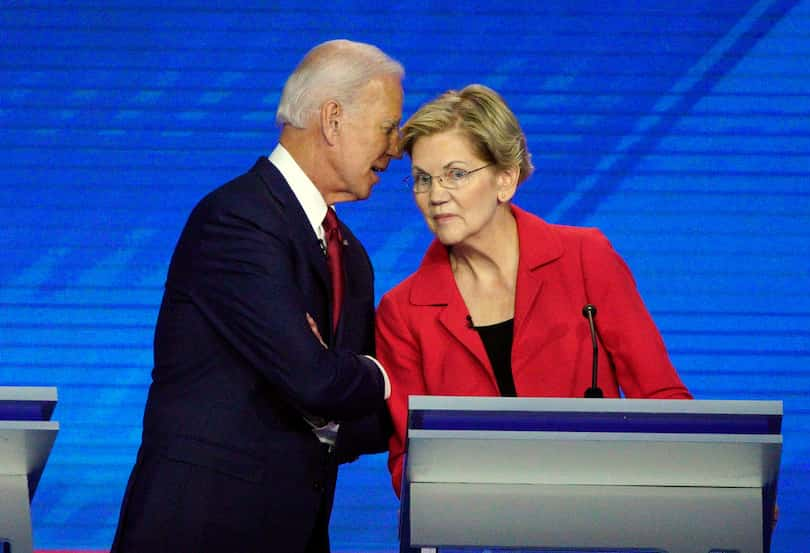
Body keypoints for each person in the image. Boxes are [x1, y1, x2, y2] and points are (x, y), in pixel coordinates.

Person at [111, 39, 404, 553]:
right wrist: (378, 373)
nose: (397, 147)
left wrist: (350, 380)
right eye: (387, 127)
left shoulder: (351, 257)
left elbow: (350, 416)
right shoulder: (238, 220)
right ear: (332, 120)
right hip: (198, 532)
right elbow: (316, 380)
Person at [375, 84, 692, 497]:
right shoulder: (403, 311)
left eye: (455, 174)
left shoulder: (585, 258)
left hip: (599, 517)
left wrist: (722, 484)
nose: (436, 195)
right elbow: (407, 462)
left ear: (505, 178)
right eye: (422, 179)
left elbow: (658, 394)